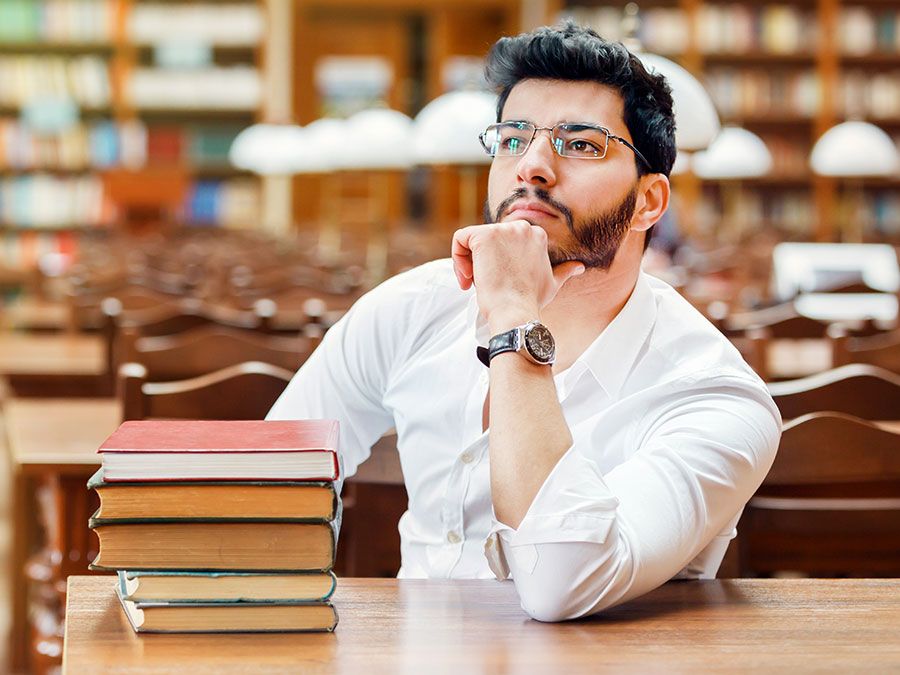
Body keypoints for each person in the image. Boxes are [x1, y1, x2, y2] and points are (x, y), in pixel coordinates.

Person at [268, 22, 780, 622]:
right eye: (512, 139)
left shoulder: (714, 396)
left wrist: (512, 315)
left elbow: (561, 585)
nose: (531, 167)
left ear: (650, 202)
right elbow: (274, 486)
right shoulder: (408, 308)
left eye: (581, 144)